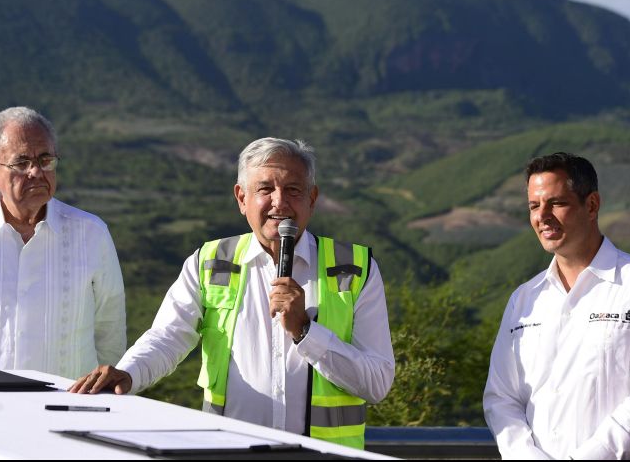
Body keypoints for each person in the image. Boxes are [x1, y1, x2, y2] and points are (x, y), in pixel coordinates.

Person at [69, 137, 394, 449]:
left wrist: (306, 332)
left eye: (293, 190)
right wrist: (127, 374)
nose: (279, 202)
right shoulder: (210, 263)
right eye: (265, 189)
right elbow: (168, 338)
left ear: (312, 198)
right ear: (241, 198)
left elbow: (377, 383)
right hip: (230, 451)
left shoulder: (354, 270)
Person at [483, 152, 630, 459]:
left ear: (591, 205)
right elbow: (501, 398)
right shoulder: (524, 299)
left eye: (556, 203)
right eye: (533, 205)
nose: (542, 215)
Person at [0, 106, 126, 379]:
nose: (36, 172)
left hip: (65, 408)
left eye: (46, 160)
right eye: (21, 163)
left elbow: (110, 332)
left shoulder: (91, 233)